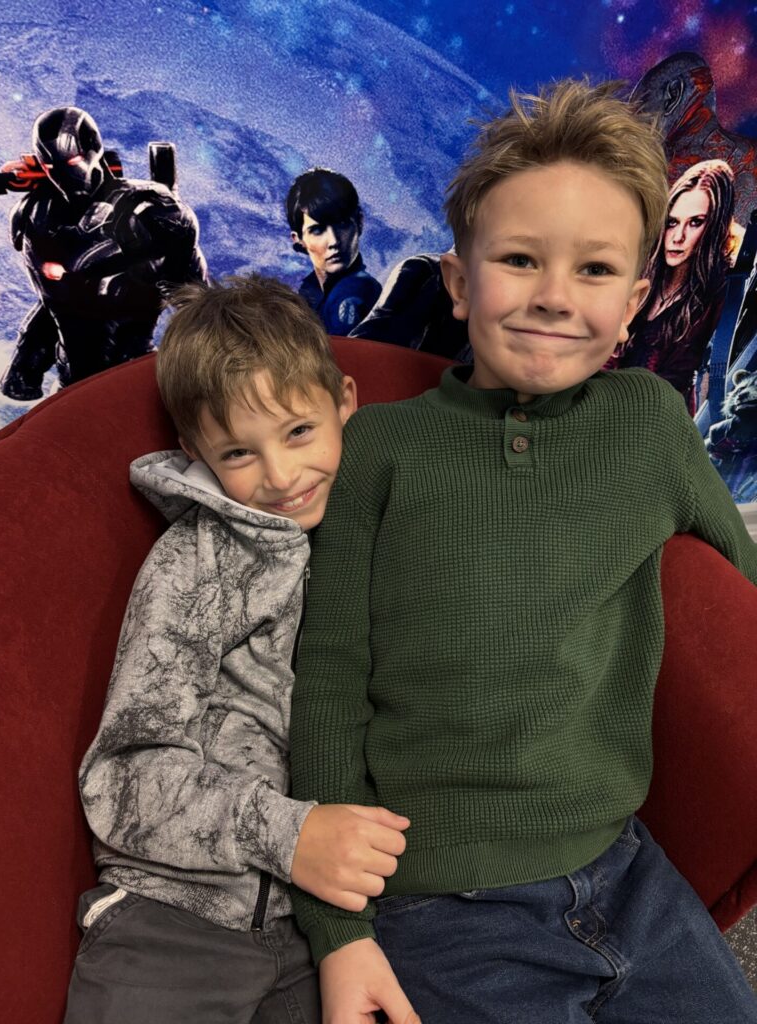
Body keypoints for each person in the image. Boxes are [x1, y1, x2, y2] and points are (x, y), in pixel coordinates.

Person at [288, 81, 757, 1023]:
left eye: (594, 270)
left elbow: (740, 604)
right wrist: (339, 933)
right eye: (518, 259)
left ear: (633, 302)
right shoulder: (380, 448)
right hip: (441, 903)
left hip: (628, 872)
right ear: (460, 281)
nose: (553, 296)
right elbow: (329, 679)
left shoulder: (650, 425)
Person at [64, 275, 410, 1024]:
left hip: (319, 929)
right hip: (173, 917)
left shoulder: (385, 534)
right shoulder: (194, 562)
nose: (282, 477)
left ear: (345, 402)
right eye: (240, 452)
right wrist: (286, 835)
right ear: (196, 451)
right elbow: (122, 777)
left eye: (299, 431)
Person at [0, 106, 207, 400]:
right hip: (75, 379)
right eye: (52, 166)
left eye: (72, 161)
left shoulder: (149, 211)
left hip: (130, 371)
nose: (67, 174)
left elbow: (193, 297)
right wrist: (24, 369)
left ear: (91, 150)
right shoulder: (35, 213)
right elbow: (58, 304)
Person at [615, 159, 736, 411]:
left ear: (714, 226)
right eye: (672, 222)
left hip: (656, 420)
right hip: (594, 405)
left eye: (695, 222)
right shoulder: (643, 269)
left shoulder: (723, 293)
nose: (678, 237)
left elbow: (709, 383)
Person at [287, 167, 381, 335]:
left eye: (342, 224)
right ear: (299, 239)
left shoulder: (357, 291)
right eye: (318, 230)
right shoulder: (309, 293)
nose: (334, 241)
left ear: (359, 222)